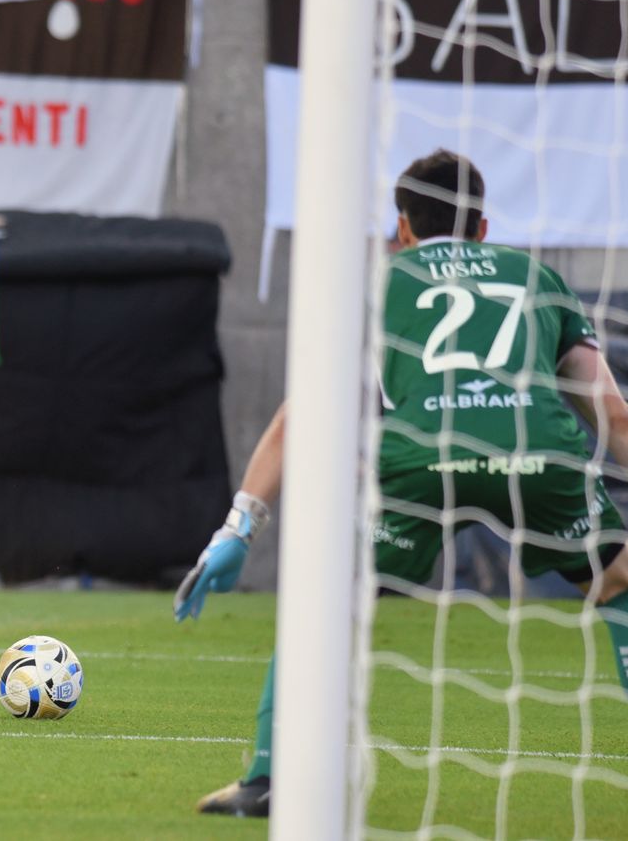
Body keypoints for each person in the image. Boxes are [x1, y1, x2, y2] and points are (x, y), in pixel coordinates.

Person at [175, 149, 628, 818]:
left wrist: (239, 526)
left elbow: (301, 415)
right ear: (482, 225)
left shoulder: (374, 283)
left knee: (323, 603)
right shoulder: (537, 275)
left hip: (420, 458)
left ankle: (269, 779)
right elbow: (611, 412)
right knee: (618, 580)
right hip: (539, 456)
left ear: (403, 227)